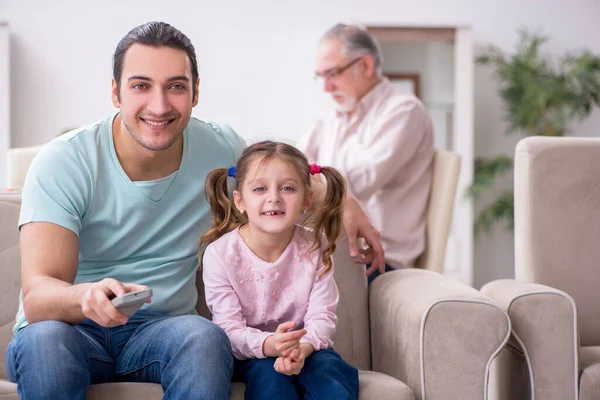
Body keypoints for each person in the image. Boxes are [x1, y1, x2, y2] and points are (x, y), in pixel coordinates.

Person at [6, 21, 382, 399]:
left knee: (204, 337)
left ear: (195, 92)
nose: (159, 105)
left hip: (162, 330)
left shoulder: (218, 148)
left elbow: (279, 173)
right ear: (115, 92)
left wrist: (345, 201)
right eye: (141, 86)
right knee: (47, 342)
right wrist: (83, 297)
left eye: (176, 86)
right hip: (69, 329)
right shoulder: (65, 161)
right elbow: (38, 298)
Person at [200, 140, 359, 400]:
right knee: (270, 377)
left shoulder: (315, 245)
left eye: (287, 188)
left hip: (307, 348)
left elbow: (322, 316)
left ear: (307, 199)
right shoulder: (220, 254)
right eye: (260, 189)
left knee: (329, 369)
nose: (274, 197)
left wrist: (302, 349)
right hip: (251, 352)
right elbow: (228, 328)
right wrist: (270, 345)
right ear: (240, 200)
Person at [298, 23, 435, 284]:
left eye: (333, 73)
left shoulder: (404, 111)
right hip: (336, 249)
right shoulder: (332, 115)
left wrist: (307, 178)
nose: (326, 87)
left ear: (366, 65)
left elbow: (357, 182)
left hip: (376, 258)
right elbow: (294, 163)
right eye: (321, 76)